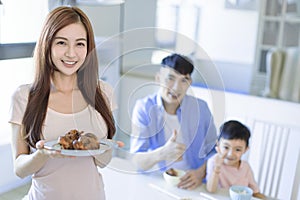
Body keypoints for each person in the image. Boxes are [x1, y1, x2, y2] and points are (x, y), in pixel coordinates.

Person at [9, 6, 117, 200]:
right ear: (47, 44)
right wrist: (42, 154)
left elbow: (103, 162)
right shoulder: (24, 96)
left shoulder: (103, 93)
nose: (71, 53)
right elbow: (19, 168)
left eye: (80, 44)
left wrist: (103, 147)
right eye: (61, 42)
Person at [130, 53, 217, 190]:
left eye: (184, 80)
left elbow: (215, 151)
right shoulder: (144, 108)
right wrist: (163, 153)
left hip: (194, 183)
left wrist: (200, 173)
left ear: (190, 84)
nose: (176, 87)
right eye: (170, 78)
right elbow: (136, 161)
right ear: (158, 78)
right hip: (157, 181)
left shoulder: (201, 108)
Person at [206, 120, 266, 199]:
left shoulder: (245, 167)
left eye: (237, 149)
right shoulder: (214, 162)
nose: (231, 154)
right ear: (218, 144)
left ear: (245, 150)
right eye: (226, 147)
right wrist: (217, 168)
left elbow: (255, 192)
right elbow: (211, 190)